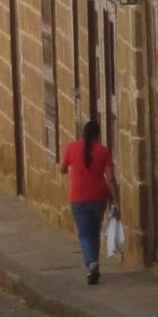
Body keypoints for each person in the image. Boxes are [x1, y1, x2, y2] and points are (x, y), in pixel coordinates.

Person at [62, 118, 121, 286]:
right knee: (94, 231)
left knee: (85, 233)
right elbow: (110, 178)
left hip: (78, 197)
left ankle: (92, 264)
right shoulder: (103, 151)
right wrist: (116, 201)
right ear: (97, 136)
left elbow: (62, 169)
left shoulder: (72, 148)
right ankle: (94, 264)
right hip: (98, 197)